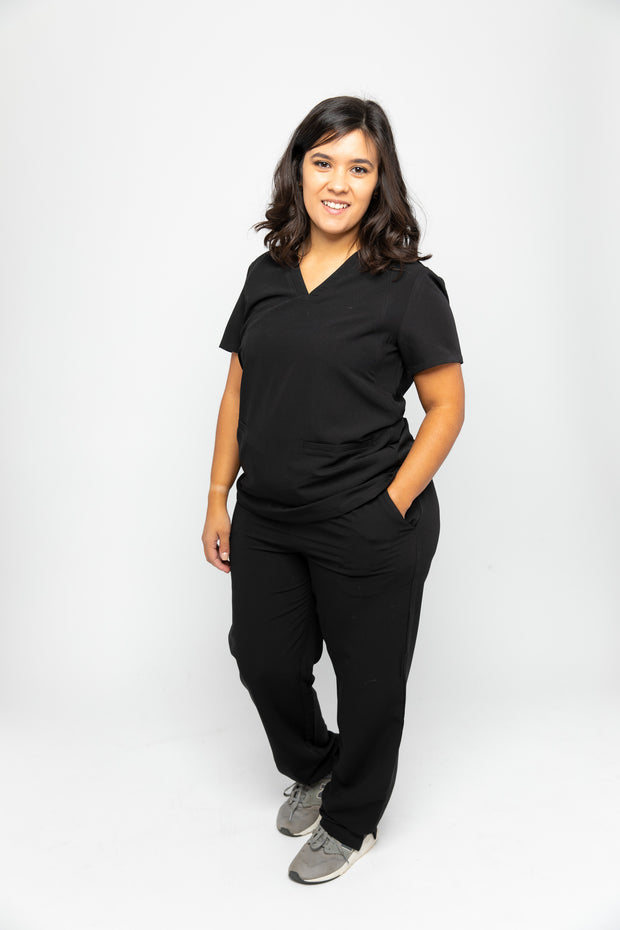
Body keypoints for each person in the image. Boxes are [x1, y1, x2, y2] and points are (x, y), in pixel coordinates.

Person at [202, 95, 465, 884]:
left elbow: (447, 407)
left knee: (369, 681)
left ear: (381, 181)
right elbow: (238, 389)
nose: (338, 183)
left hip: (367, 516)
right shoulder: (267, 274)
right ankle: (319, 767)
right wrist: (217, 495)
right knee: (262, 658)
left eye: (359, 167)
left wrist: (392, 503)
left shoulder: (408, 287)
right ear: (299, 170)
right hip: (268, 515)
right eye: (323, 163)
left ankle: (352, 821)